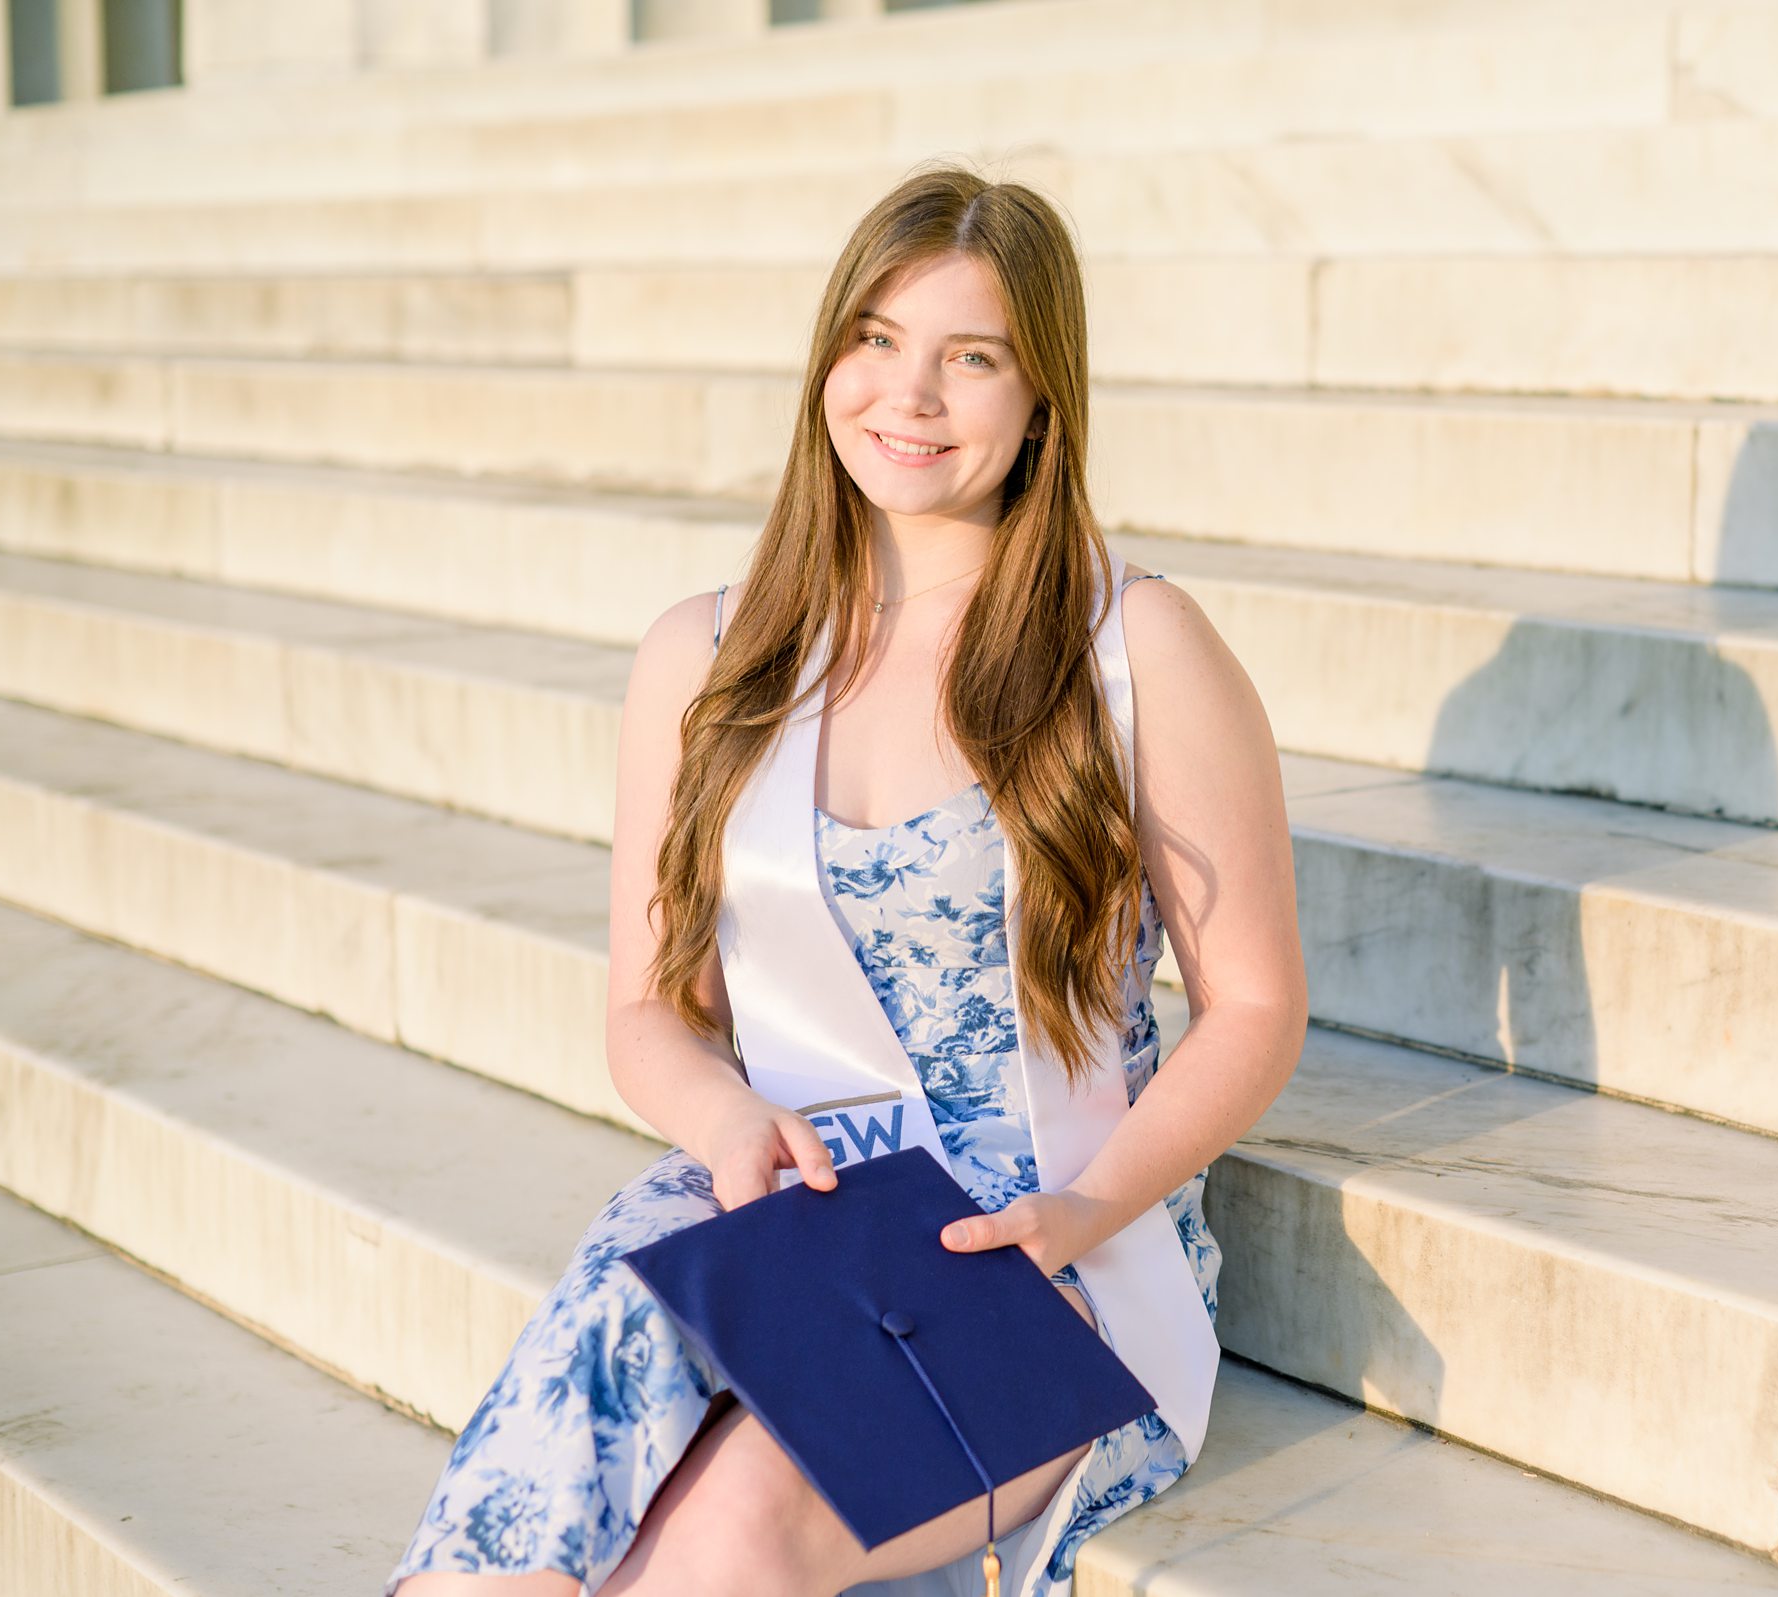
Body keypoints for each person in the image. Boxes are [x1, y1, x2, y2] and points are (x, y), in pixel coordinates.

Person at [386, 160, 1308, 1597]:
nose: (910, 394)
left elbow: (1252, 1005)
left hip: (1035, 1235)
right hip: (783, 1200)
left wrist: (1089, 1205)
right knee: (522, 1541)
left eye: (971, 356)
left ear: (1041, 393)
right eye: (874, 340)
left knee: (728, 1541)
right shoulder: (709, 654)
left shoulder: (1132, 650)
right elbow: (648, 1008)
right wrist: (726, 1120)